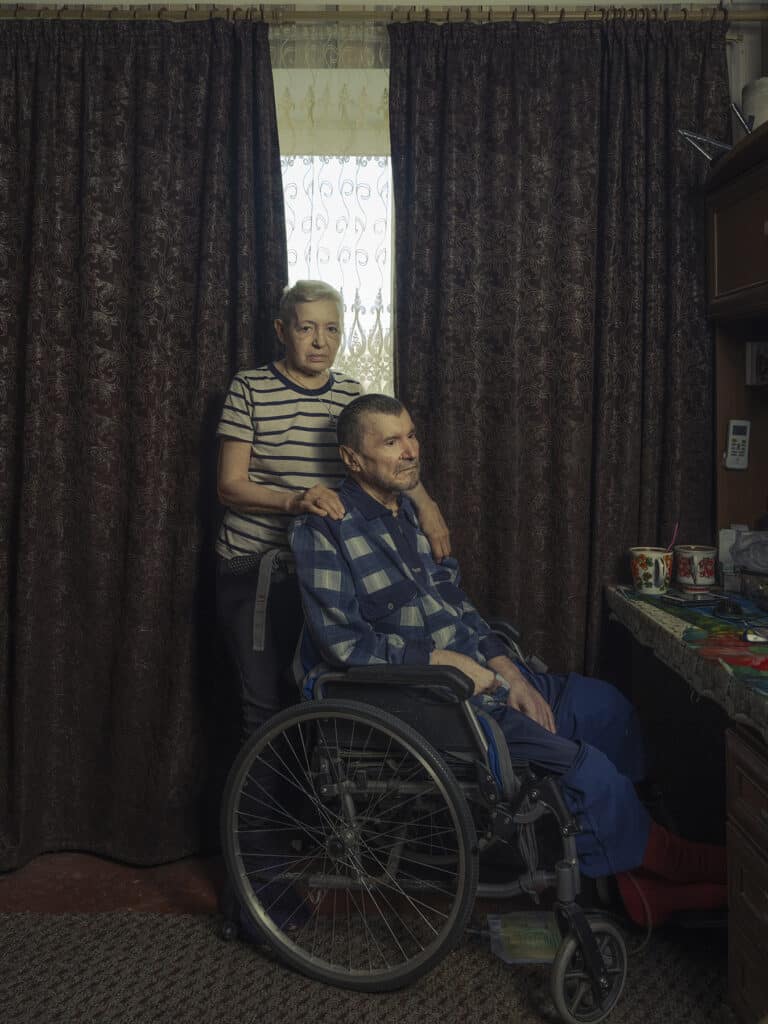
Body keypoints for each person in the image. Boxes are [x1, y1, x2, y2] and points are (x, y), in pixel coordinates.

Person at [289, 393, 727, 928]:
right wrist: (442, 660)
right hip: (427, 699)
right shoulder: (323, 530)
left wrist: (509, 669)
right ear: (353, 459)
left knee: (607, 709)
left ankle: (626, 870)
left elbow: (459, 608)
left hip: (484, 675)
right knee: (588, 768)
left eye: (411, 435)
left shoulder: (411, 519)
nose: (410, 451)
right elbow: (343, 645)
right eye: (391, 441)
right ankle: (666, 864)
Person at [215, 281, 450, 740]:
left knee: (327, 697)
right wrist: (296, 500)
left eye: (332, 329)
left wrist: (427, 504)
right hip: (257, 569)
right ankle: (261, 814)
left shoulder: (349, 391)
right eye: (307, 328)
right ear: (282, 330)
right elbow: (230, 486)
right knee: (263, 703)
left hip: (330, 567)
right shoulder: (250, 387)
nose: (321, 341)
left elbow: (386, 462)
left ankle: (318, 814)